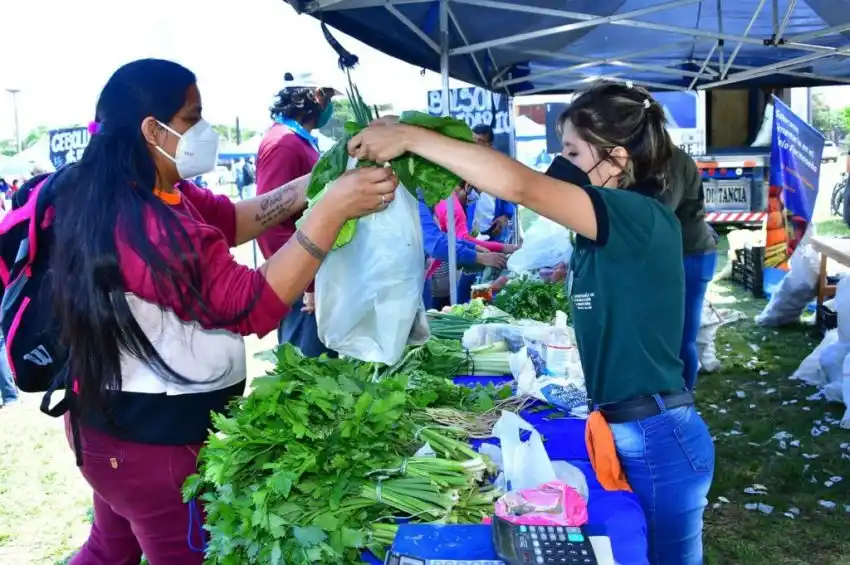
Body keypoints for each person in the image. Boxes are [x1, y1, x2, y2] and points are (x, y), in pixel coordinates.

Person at [42, 58, 395, 565]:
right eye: (192, 118)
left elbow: (235, 220)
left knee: (108, 550)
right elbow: (249, 304)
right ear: (152, 129)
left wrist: (323, 177)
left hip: (111, 430)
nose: (204, 130)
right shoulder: (140, 223)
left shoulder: (155, 191)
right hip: (149, 445)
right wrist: (331, 210)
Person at [349, 82, 714, 565]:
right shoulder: (609, 228)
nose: (560, 164)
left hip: (657, 433)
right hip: (631, 427)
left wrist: (411, 137)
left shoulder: (635, 215)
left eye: (572, 152)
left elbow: (522, 186)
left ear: (616, 159)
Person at [256, 71, 339, 358]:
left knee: (324, 365)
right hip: (301, 285)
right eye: (329, 97)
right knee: (306, 369)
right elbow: (270, 222)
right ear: (316, 95)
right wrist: (305, 282)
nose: (330, 106)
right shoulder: (283, 143)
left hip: (310, 275)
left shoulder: (299, 141)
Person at [659, 147, 717, 390]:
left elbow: (660, 211)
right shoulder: (652, 158)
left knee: (681, 339)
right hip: (677, 255)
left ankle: (682, 399)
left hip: (690, 255)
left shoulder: (670, 161)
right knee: (669, 336)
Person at [418, 194, 506, 310]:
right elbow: (438, 244)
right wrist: (479, 257)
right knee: (449, 306)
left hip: (429, 272)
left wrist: (473, 247)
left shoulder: (434, 202)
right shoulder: (448, 206)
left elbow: (445, 238)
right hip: (431, 274)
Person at [471, 124, 516, 243]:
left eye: (480, 141)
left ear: (489, 146)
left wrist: (504, 217)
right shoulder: (461, 167)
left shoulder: (500, 171)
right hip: (466, 234)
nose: (475, 144)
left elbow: (511, 199)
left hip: (492, 233)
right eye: (473, 140)